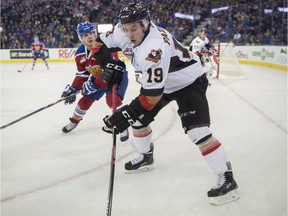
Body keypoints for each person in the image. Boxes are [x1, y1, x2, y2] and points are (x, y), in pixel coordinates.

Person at [94, 2, 239, 205]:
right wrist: (108, 63)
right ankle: (146, 156)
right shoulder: (121, 29)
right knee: (139, 121)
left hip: (188, 81)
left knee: (197, 132)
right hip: (163, 84)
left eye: (134, 28)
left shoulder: (154, 48)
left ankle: (227, 179)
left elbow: (151, 97)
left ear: (146, 24)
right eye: (126, 29)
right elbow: (98, 42)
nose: (128, 34)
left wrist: (124, 115)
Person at [61, 21, 129, 142]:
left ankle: (123, 124)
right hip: (98, 77)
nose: (90, 36)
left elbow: (110, 70)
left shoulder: (104, 47)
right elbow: (83, 73)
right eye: (85, 35)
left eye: (92, 33)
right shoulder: (79, 54)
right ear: (80, 38)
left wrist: (93, 84)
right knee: (85, 100)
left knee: (112, 100)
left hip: (116, 75)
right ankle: (75, 121)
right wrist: (74, 88)